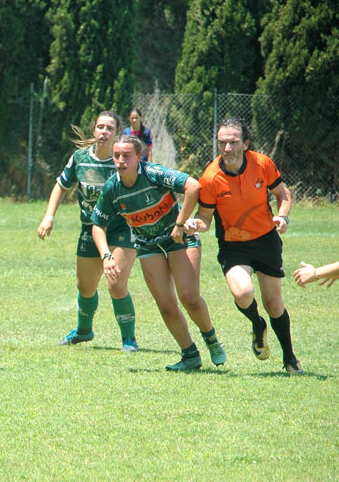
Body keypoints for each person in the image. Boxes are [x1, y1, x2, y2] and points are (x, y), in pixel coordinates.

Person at [91, 134, 227, 371]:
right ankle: (190, 355)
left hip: (179, 239)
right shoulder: (113, 187)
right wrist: (106, 256)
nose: (120, 161)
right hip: (148, 245)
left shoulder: (153, 173)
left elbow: (193, 186)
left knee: (189, 298)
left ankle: (211, 339)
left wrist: (180, 223)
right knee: (165, 304)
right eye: (116, 156)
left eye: (126, 156)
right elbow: (97, 225)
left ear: (139, 157)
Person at [188, 118, 303, 375]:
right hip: (233, 245)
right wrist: (197, 222)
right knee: (243, 294)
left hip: (265, 240)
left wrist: (282, 217)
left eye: (233, 142)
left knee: (274, 303)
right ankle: (257, 324)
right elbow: (205, 217)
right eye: (222, 142)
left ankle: (290, 358)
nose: (227, 148)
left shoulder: (262, 163)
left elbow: (283, 194)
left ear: (245, 143)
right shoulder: (210, 177)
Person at [37, 111, 139, 352]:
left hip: (121, 228)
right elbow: (61, 185)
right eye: (100, 127)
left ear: (117, 133)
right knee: (85, 287)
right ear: (94, 130)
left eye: (109, 128)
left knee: (116, 282)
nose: (104, 131)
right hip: (90, 228)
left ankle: (129, 339)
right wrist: (49, 217)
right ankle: (84, 331)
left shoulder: (122, 160)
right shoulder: (80, 158)